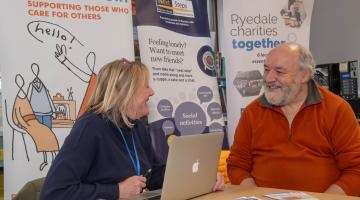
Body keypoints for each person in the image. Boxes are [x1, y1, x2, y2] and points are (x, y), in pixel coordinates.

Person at [40, 59, 225, 200]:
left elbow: (151, 176)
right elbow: (54, 192)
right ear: (123, 91)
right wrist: (117, 190)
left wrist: (199, 177)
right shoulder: (90, 127)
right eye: (145, 86)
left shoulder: (135, 125)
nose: (151, 92)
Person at [227, 42, 360, 196]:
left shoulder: (337, 110)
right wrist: (255, 196)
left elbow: (356, 170)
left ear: (304, 75)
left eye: (279, 71)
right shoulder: (253, 112)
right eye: (266, 69)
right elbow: (237, 166)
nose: (269, 78)